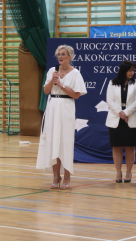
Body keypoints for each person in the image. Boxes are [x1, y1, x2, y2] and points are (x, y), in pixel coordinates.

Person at [36, 45, 87, 189]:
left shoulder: (75, 73)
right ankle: (55, 176)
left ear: (70, 56)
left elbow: (76, 95)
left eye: (64, 54)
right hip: (52, 106)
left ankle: (67, 176)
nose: (60, 56)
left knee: (65, 142)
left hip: (66, 107)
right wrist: (53, 80)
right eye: (59, 54)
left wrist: (62, 85)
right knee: (53, 142)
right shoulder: (52, 71)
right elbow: (46, 91)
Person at [106, 60, 136, 183]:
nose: (132, 73)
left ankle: (128, 172)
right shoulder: (112, 83)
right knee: (117, 146)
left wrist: (126, 113)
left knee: (130, 146)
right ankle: (118, 172)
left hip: (131, 118)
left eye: (133, 70)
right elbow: (109, 100)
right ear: (123, 70)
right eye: (130, 70)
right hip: (115, 118)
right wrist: (121, 113)